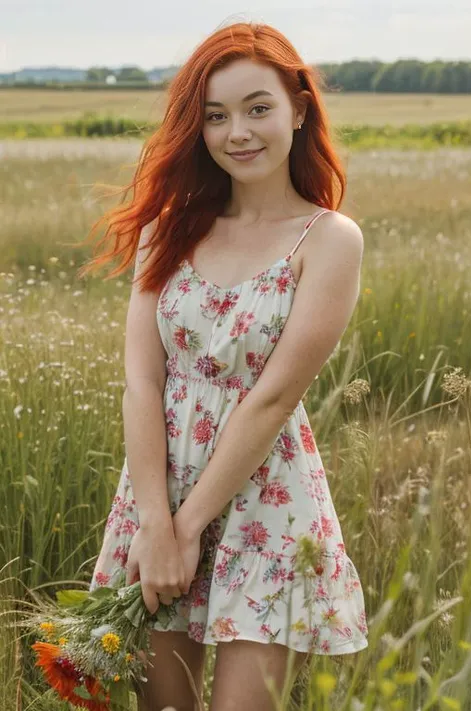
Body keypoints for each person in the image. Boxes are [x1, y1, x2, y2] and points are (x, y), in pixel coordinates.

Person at [82, 19, 369, 711]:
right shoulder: (168, 228)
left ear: (298, 110)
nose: (237, 131)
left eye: (257, 108)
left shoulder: (328, 240)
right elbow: (143, 381)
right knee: (164, 706)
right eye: (216, 116)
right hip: (158, 490)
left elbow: (272, 401)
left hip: (265, 505)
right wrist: (156, 523)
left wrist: (187, 528)